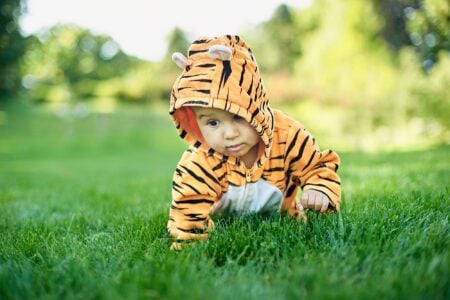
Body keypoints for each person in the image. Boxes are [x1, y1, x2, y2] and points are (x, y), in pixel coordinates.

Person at [167, 35, 341, 248]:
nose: (229, 134)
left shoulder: (286, 135)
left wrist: (319, 188)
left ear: (256, 107)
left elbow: (315, 165)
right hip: (224, 224)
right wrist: (190, 243)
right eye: (212, 123)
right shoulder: (200, 161)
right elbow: (187, 208)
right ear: (195, 123)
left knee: (296, 219)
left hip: (285, 221)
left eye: (239, 117)